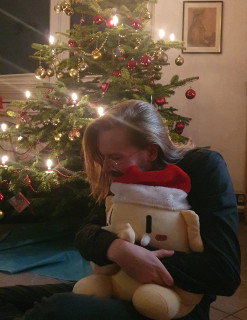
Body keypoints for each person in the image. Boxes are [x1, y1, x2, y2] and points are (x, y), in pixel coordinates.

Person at [0, 100, 241, 320]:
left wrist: (142, 260)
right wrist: (117, 249)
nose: (105, 168)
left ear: (151, 151)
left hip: (172, 304)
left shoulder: (203, 167)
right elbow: (85, 231)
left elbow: (224, 273)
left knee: (59, 308)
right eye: (102, 157)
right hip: (119, 284)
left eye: (114, 157)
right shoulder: (120, 175)